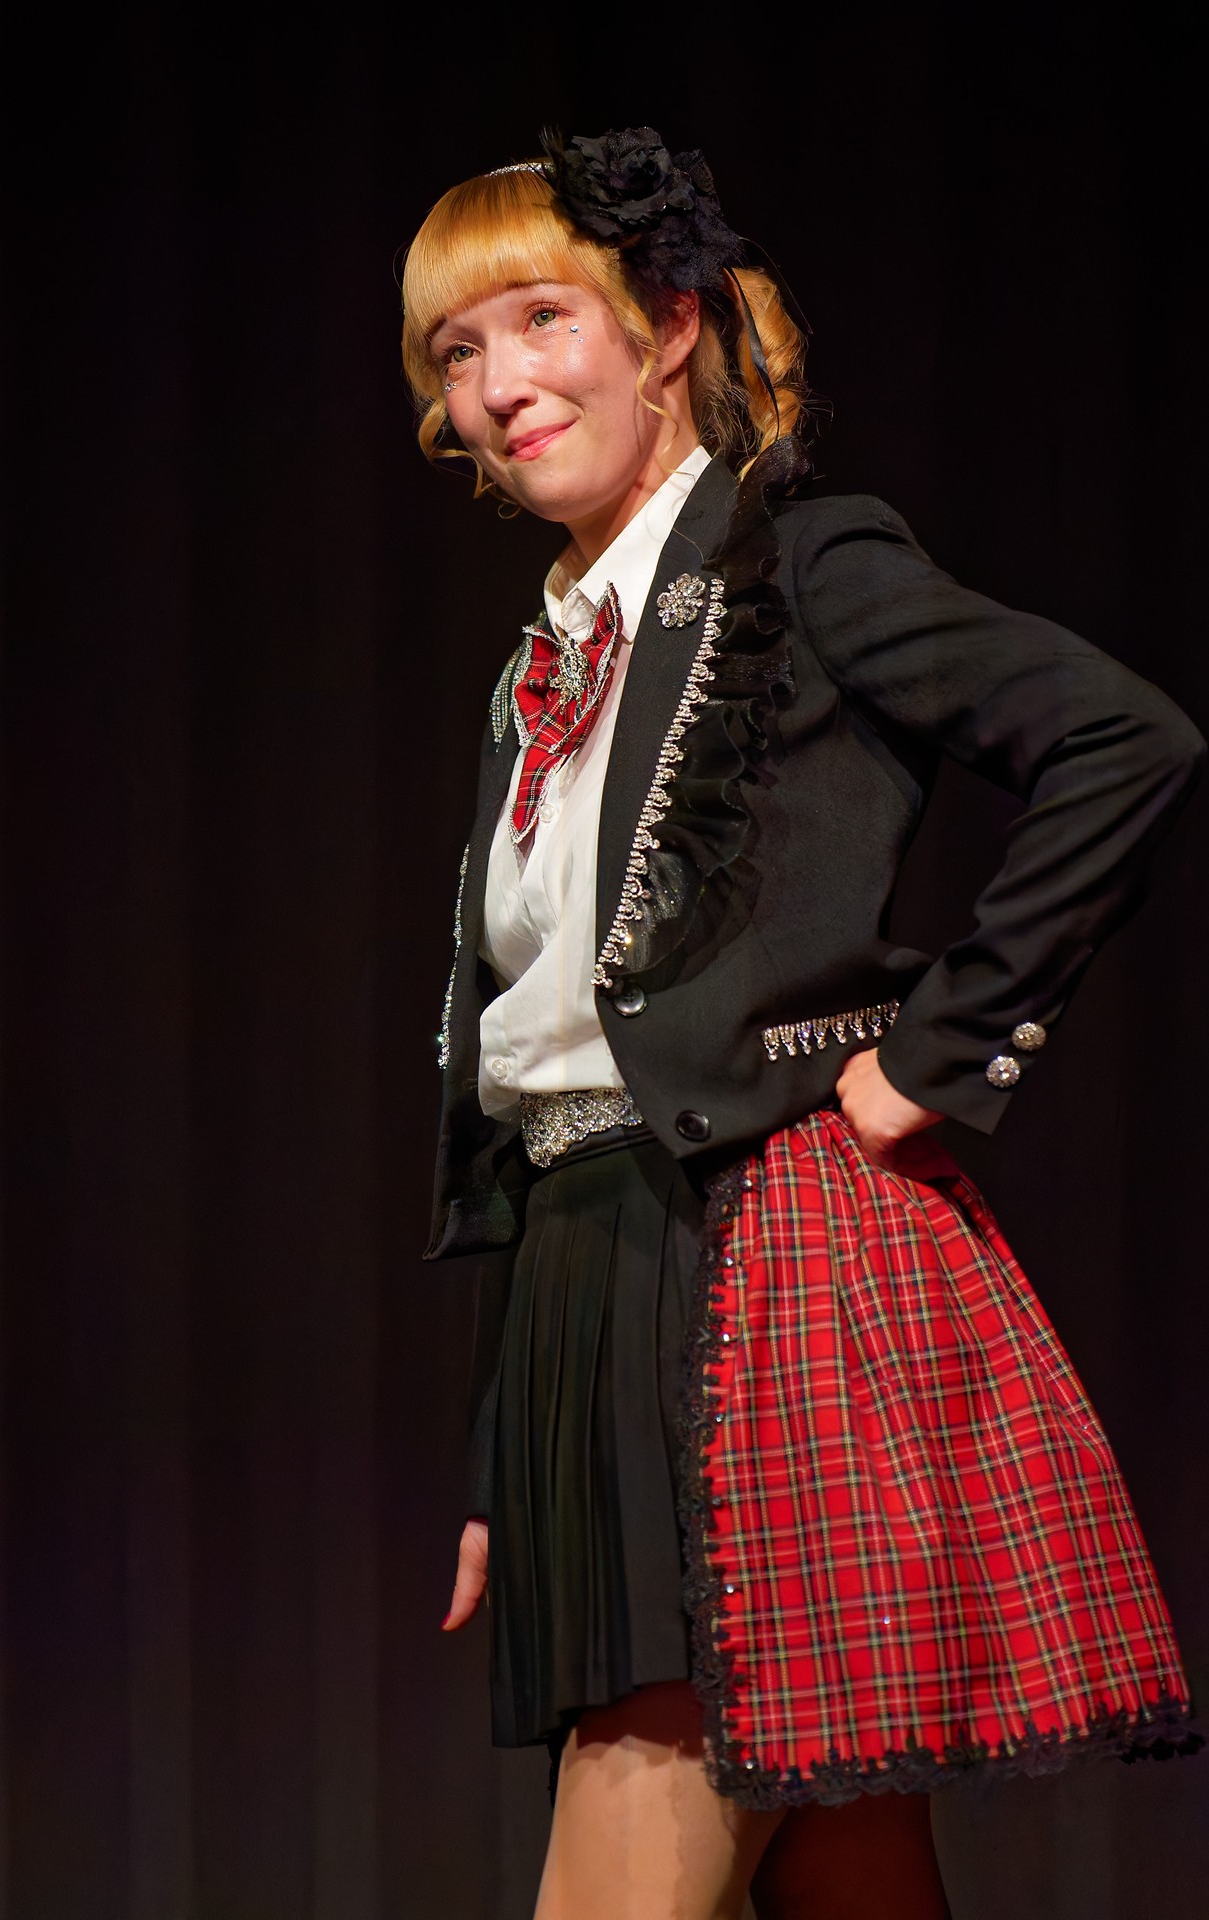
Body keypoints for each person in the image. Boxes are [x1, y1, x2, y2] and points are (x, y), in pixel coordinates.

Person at [400, 127, 1204, 1920]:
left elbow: (1123, 741)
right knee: (849, 1871)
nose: (500, 385)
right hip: (590, 1271)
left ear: (669, 325)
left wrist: (941, 1052)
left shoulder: (800, 567)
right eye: (458, 351)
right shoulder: (540, 671)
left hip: (759, 1257)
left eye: (542, 320)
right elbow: (537, 1074)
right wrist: (503, 1445)